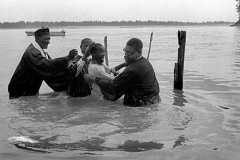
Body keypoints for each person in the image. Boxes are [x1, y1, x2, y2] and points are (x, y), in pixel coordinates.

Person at [84, 38, 160, 106]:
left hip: (142, 104)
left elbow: (113, 86)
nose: (125, 55)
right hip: (153, 101)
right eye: (125, 51)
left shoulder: (133, 69)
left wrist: (93, 79)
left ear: (139, 52)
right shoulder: (144, 62)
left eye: (129, 53)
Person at [8, 27, 78, 98]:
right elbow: (47, 65)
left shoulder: (42, 52)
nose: (49, 42)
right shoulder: (32, 52)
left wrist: (70, 62)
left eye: (49, 39)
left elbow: (54, 67)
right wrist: (67, 57)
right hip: (19, 90)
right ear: (37, 39)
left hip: (30, 91)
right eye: (46, 39)